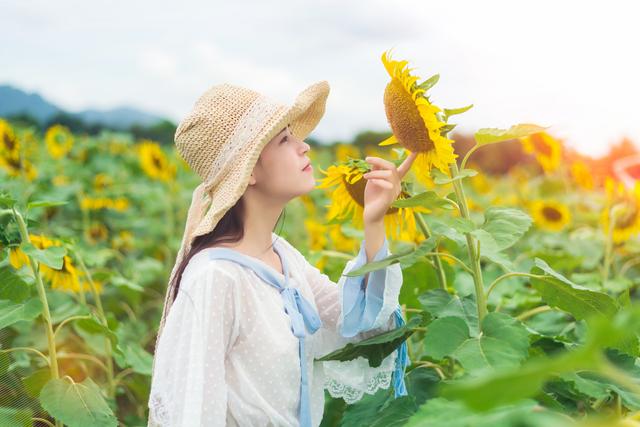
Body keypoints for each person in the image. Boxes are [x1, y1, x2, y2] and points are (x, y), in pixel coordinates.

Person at [147, 80, 418, 427]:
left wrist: (374, 221)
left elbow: (361, 326)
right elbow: (195, 412)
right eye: (284, 139)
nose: (304, 146)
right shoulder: (215, 279)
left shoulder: (281, 257)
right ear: (249, 172)